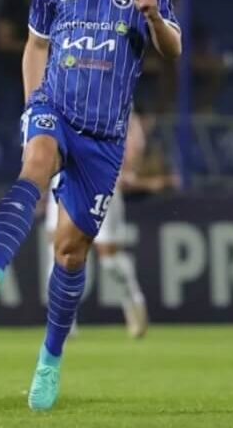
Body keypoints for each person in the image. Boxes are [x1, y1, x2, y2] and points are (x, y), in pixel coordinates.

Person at [0, 0, 182, 411]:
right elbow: (35, 46)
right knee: (34, 163)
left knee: (70, 252)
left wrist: (153, 15)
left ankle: (50, 359)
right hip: (54, 111)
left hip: (104, 139)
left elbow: (173, 51)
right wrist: (31, 105)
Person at [44, 112, 177, 338]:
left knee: (109, 258)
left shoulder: (116, 97)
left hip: (100, 179)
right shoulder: (58, 91)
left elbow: (131, 147)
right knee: (55, 250)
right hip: (65, 176)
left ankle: (133, 298)